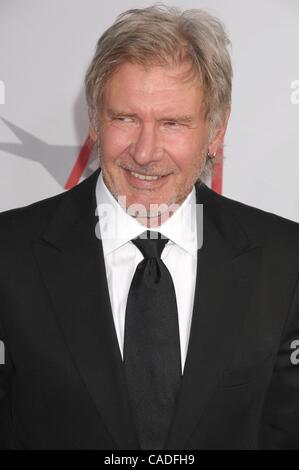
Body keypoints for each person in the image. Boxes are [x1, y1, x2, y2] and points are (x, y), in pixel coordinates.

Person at [0, 4, 299, 450]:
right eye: (125, 118)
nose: (145, 152)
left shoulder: (285, 259)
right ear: (96, 120)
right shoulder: (10, 253)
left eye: (173, 123)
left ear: (216, 130)